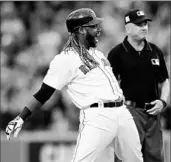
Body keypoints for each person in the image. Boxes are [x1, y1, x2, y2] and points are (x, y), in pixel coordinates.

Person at [5, 8, 144, 162]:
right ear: (81, 30)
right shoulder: (65, 59)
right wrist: (21, 118)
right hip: (98, 116)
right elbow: (44, 93)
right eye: (94, 26)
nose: (98, 29)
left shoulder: (98, 54)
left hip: (122, 112)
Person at [108, 9, 170, 162]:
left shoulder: (155, 51)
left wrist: (163, 102)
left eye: (145, 23)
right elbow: (110, 85)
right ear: (128, 28)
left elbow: (165, 81)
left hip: (153, 113)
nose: (144, 27)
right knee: (127, 157)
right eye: (138, 24)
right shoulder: (117, 53)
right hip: (129, 111)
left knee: (155, 158)